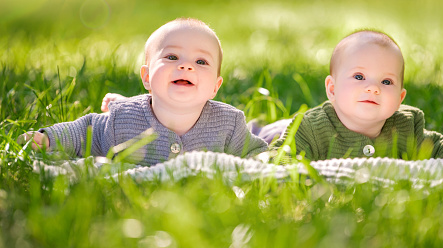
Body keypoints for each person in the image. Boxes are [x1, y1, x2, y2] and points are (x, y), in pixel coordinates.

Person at [18, 18, 268, 165]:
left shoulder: (229, 123)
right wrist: (49, 138)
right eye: (172, 56)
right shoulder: (124, 120)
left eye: (201, 62)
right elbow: (86, 132)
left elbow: (257, 155)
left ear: (215, 86)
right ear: (147, 77)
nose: (186, 65)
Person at [272, 30, 443, 169]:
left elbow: (439, 149)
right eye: (359, 77)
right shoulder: (312, 128)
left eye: (386, 81)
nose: (373, 88)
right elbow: (280, 156)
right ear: (332, 89)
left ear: (400, 99)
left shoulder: (406, 127)